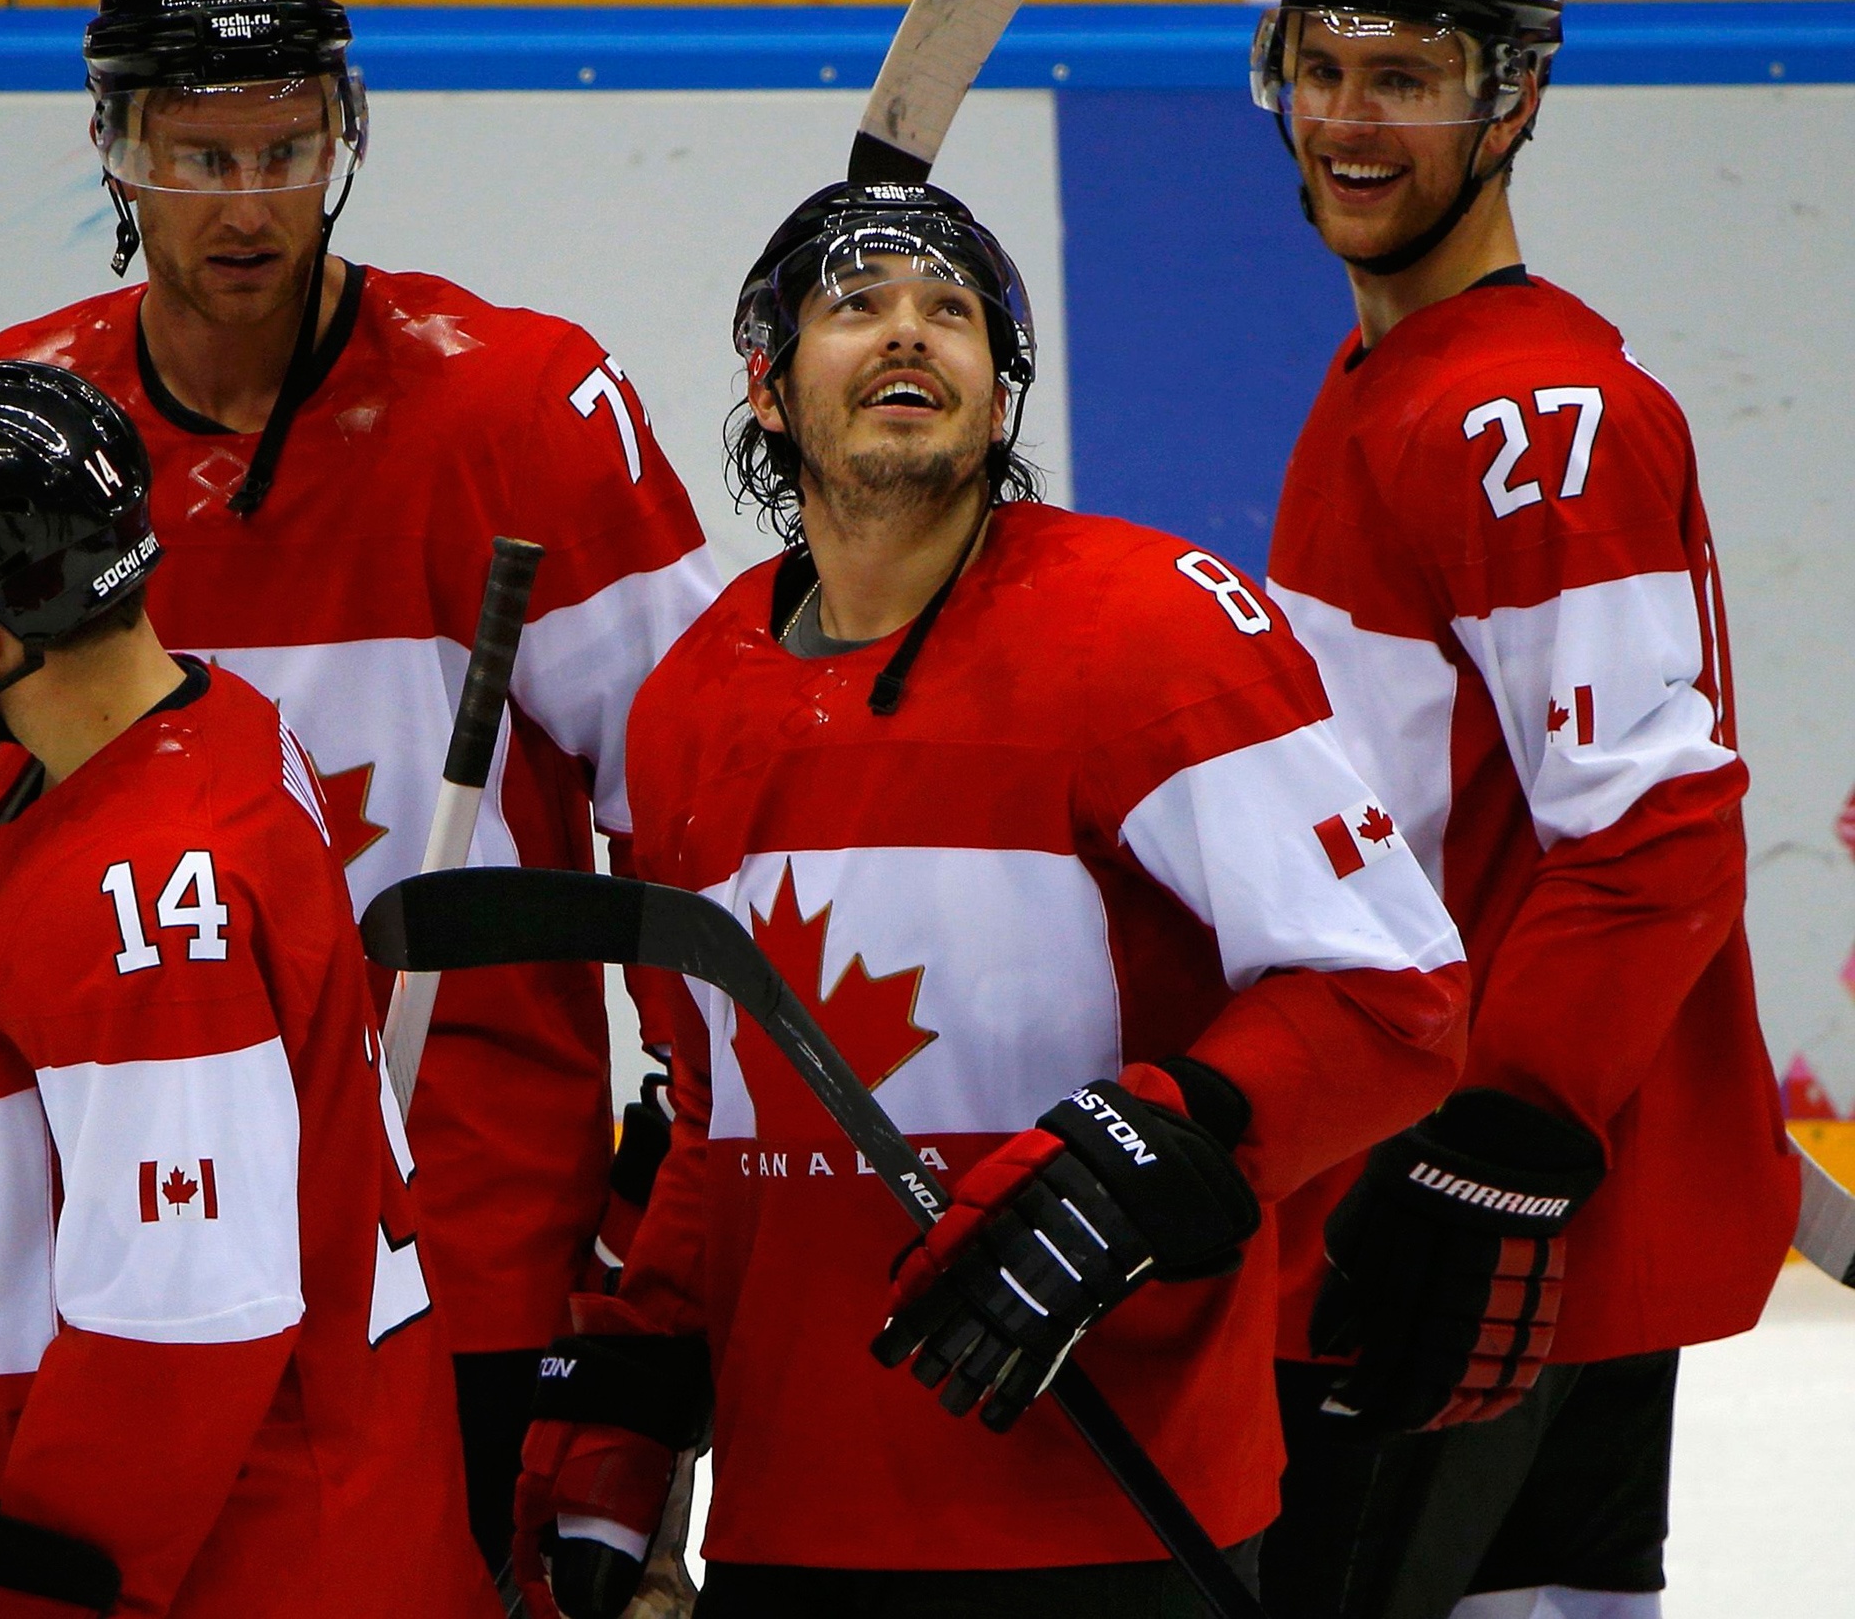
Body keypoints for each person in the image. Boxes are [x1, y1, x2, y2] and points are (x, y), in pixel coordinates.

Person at [508, 179, 1471, 1618]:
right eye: (858, 306)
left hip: (1116, 1512)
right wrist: (642, 1400)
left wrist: (1160, 1144)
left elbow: (1397, 998)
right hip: (794, 1525)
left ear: (1001, 396)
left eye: (952, 312)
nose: (911, 331)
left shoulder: (1153, 632)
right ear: (765, 389)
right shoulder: (689, 699)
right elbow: (719, 1113)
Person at [0, 0, 723, 1570]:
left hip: (472, 1239)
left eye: (285, 149)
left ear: (344, 138)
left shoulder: (522, 404)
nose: (247, 205)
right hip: (136, 1248)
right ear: (116, 148)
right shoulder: (24, 430)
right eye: (199, 154)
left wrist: (681, 1152)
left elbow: (691, 797)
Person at [1250, 0, 1797, 1618]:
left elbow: (1653, 847)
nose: (1348, 118)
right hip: (1446, 1192)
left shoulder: (1527, 416)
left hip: (1477, 1225)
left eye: (1402, 73)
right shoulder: (1393, 380)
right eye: (1318, 65)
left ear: (1514, 97)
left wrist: (1498, 1144)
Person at [0, 358, 497, 1618]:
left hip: (247, 1564)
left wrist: (15, 1597)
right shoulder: (210, 724)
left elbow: (182, 1322)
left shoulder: (140, 893)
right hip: (303, 1511)